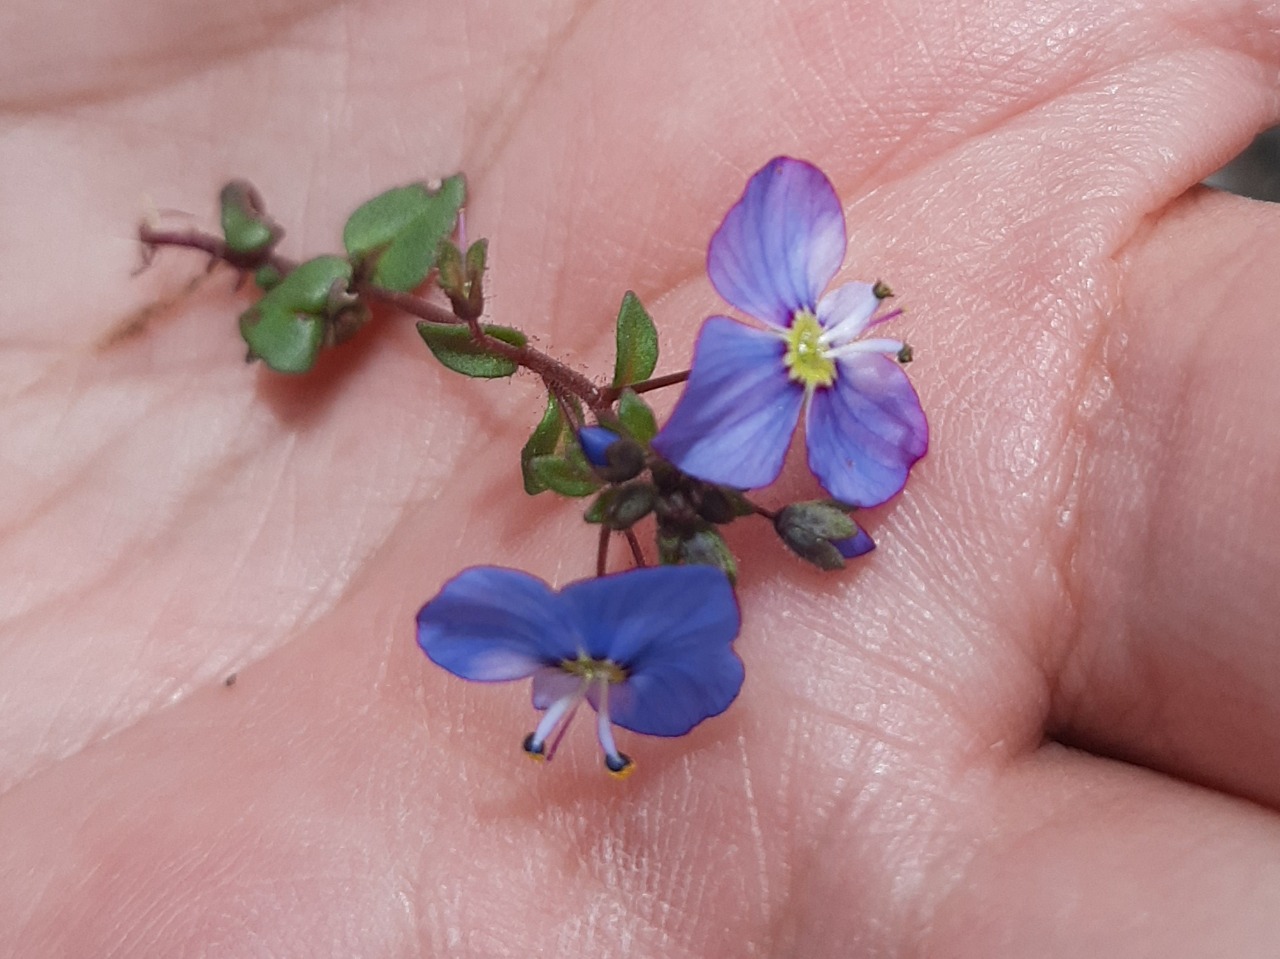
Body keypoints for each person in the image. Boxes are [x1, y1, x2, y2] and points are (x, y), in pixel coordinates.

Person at [2, 0, 1279, 954]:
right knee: (485, 372)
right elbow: (643, 464)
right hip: (687, 443)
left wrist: (717, 475)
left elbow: (668, 478)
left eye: (589, 679)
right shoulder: (731, 408)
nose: (583, 693)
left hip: (719, 452)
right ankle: (278, 272)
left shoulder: (761, 425)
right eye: (589, 680)